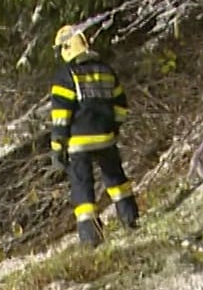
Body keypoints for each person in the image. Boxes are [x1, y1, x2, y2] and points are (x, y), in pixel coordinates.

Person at [50, 24, 140, 248]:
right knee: (116, 179)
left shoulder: (66, 75)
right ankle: (130, 219)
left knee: (82, 188)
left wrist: (57, 147)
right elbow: (121, 105)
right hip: (106, 138)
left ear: (67, 47)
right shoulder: (105, 70)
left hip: (78, 143)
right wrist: (114, 127)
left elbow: (61, 115)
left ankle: (91, 237)